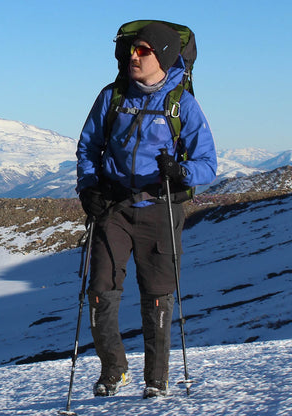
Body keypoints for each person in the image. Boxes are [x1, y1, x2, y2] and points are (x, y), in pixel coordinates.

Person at [76, 21, 217, 399]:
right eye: (131, 50)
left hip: (160, 208)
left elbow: (208, 163)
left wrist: (181, 172)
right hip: (114, 207)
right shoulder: (112, 97)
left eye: (143, 51)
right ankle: (113, 370)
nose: (133, 57)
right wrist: (88, 186)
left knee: (157, 295)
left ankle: (156, 379)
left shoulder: (181, 103)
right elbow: (88, 147)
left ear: (164, 55)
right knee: (100, 290)